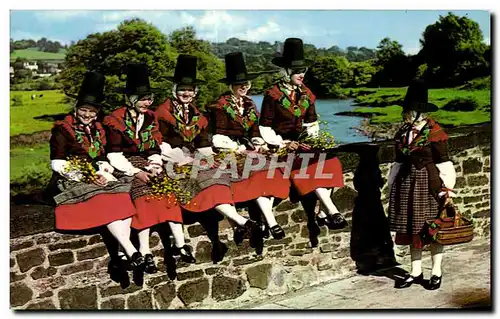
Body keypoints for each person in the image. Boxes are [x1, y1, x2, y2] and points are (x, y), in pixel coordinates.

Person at [156, 54, 260, 261]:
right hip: (171, 159)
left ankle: (238, 224)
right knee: (205, 180)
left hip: (192, 158)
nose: (187, 93)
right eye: (183, 89)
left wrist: (209, 157)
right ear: (175, 90)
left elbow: (203, 141)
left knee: (220, 173)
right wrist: (179, 158)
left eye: (191, 90)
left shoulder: (196, 113)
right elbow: (159, 141)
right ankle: (241, 221)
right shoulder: (162, 111)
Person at [104, 63, 195, 274]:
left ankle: (179, 244)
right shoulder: (115, 119)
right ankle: (145, 251)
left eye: (149, 98)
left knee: (166, 188)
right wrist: (137, 172)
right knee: (143, 193)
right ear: (131, 99)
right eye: (143, 98)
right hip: (123, 163)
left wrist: (155, 165)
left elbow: (154, 146)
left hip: (147, 161)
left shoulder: (151, 117)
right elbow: (113, 154)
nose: (147, 102)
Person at [49, 71, 144, 270]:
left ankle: (123, 253)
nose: (88, 115)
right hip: (72, 175)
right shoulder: (63, 129)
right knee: (104, 199)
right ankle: (130, 249)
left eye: (92, 112)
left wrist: (103, 169)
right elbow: (57, 163)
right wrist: (88, 176)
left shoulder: (98, 128)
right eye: (84, 110)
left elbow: (102, 156)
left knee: (123, 196)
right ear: (76, 109)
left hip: (98, 174)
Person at [259, 38, 347, 246]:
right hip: (281, 146)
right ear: (286, 71)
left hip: (303, 144)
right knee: (306, 166)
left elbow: (312, 123)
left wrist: (313, 140)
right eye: (298, 71)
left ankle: (327, 211)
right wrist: (282, 143)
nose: (302, 75)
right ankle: (332, 211)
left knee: (330, 162)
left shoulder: (307, 94)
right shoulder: (272, 95)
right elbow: (264, 127)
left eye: (303, 71)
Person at [208, 52, 291, 241]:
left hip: (246, 147)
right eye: (239, 84)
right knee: (254, 171)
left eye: (246, 84)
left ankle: (269, 221)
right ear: (231, 86)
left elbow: (254, 131)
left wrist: (259, 143)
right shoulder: (219, 105)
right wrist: (238, 149)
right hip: (227, 149)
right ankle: (270, 222)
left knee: (271, 168)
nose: (244, 87)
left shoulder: (249, 103)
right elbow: (217, 137)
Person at [387, 79, 456, 290]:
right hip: (406, 186)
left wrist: (447, 190)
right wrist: (392, 186)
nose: (405, 114)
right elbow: (398, 162)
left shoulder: (435, 133)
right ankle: (415, 271)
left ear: (418, 112)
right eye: (405, 110)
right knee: (411, 230)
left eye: (408, 110)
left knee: (432, 229)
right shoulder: (403, 133)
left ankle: (436, 271)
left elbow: (444, 163)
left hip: (429, 185)